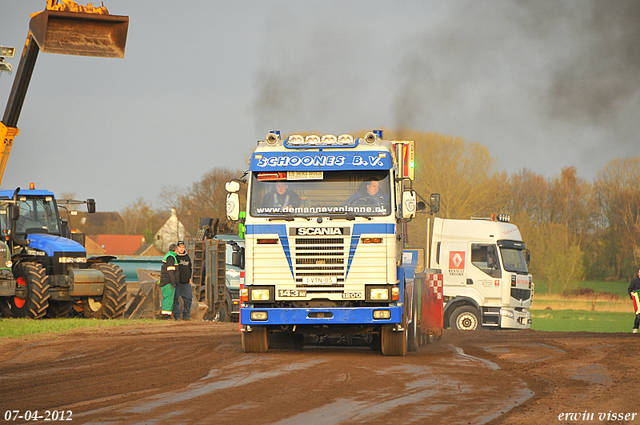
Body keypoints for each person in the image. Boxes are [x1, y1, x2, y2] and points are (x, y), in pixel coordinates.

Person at [173, 241, 193, 321]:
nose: (181, 249)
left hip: (186, 283)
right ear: (177, 248)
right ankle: (177, 316)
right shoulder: (175, 257)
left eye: (183, 247)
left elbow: (190, 268)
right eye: (180, 247)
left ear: (184, 248)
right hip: (178, 283)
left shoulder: (187, 257)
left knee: (188, 298)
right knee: (175, 299)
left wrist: (189, 278)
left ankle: (186, 315)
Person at [158, 243, 178, 320]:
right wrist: (173, 282)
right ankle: (165, 315)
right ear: (175, 250)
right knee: (168, 298)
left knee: (168, 298)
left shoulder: (169, 256)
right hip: (168, 282)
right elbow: (171, 272)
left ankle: (167, 314)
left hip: (166, 281)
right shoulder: (171, 257)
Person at [628, 268, 640, 333]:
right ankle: (635, 329)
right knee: (638, 315)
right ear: (638, 273)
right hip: (637, 301)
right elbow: (630, 289)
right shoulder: (634, 280)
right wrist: (632, 296)